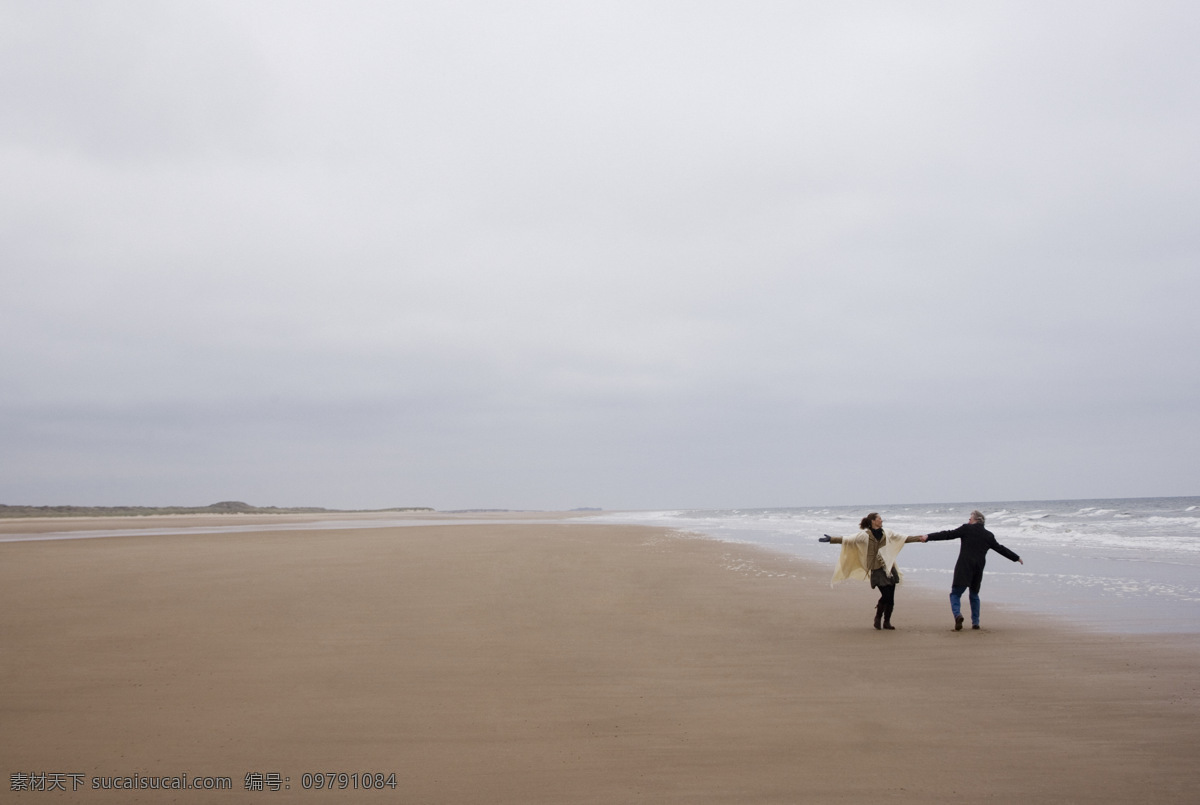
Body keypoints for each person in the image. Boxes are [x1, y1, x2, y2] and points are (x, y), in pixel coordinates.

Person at [917, 510, 1023, 631]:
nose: (968, 521)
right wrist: (1016, 558)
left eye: (970, 519)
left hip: (964, 566)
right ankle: (976, 623)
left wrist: (928, 537)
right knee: (974, 594)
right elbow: (1000, 549)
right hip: (978, 568)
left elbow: (947, 534)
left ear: (976, 520)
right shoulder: (988, 535)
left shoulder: (966, 529)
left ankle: (958, 615)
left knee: (955, 594)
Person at [820, 513, 925, 630]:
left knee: (891, 598)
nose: (881, 520)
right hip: (876, 569)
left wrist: (919, 538)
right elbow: (849, 539)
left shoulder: (887, 532)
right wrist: (831, 539)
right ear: (873, 521)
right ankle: (878, 617)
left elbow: (903, 538)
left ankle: (887, 622)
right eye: (879, 518)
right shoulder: (864, 535)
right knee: (886, 595)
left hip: (889, 568)